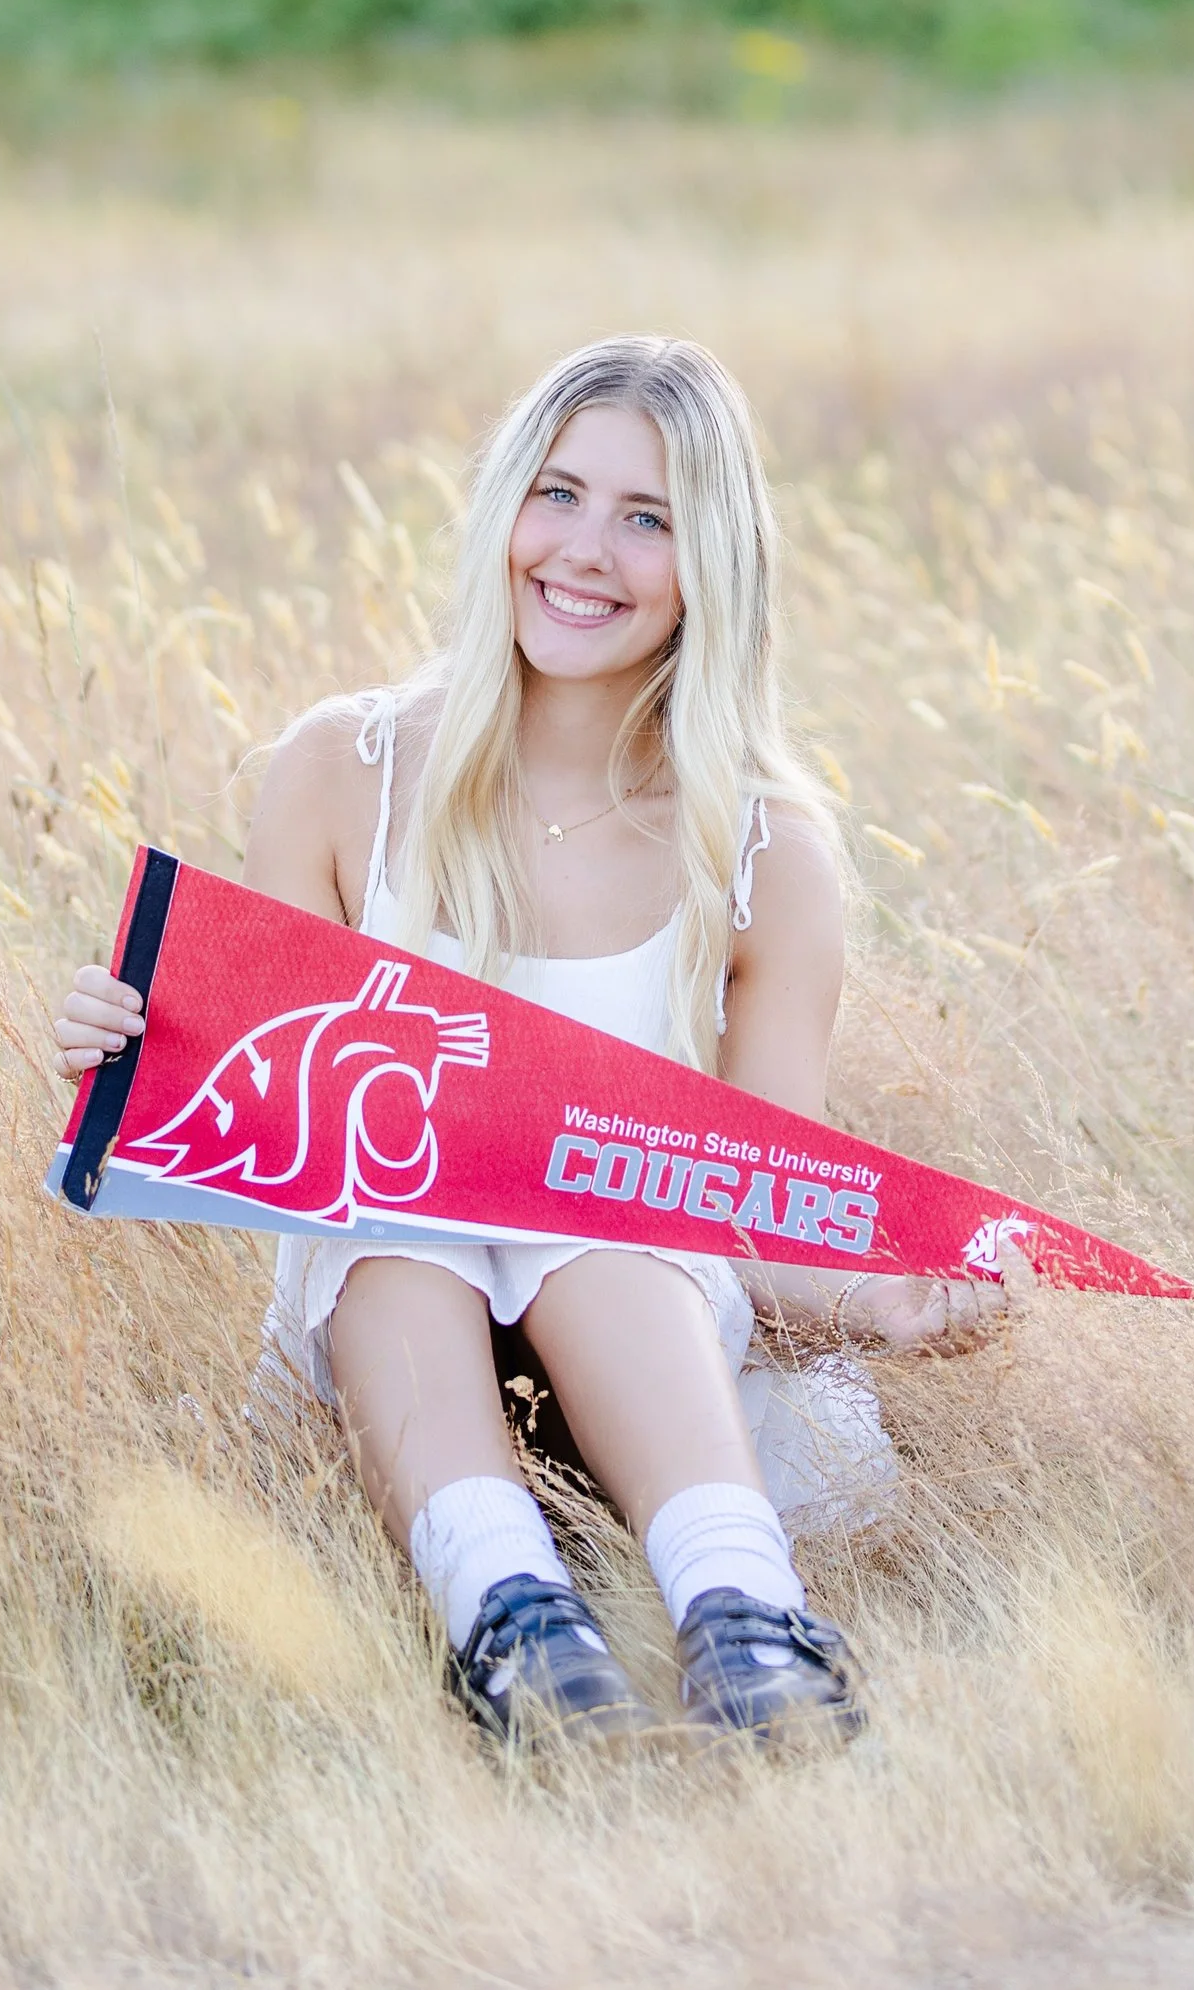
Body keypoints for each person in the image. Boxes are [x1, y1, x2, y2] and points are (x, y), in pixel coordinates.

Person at [53, 332, 991, 1746]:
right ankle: (514, 1626)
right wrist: (137, 1057)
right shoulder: (342, 771)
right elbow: (279, 1133)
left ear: (708, 568)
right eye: (558, 494)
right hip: (397, 1346)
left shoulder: (764, 852)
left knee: (595, 1206)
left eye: (648, 518)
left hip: (651, 1362)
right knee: (404, 1218)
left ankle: (748, 1620)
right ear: (503, 510)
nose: (585, 550)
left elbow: (750, 1206)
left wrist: (882, 1304)